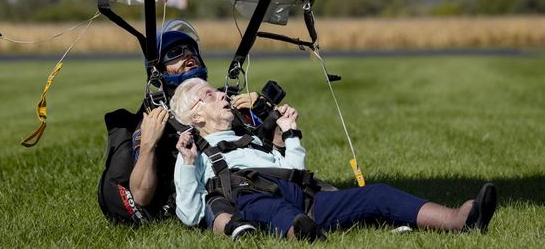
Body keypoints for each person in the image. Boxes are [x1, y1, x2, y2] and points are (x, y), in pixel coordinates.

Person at [170, 78, 498, 241]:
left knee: (378, 193)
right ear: (195, 115)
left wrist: (291, 133)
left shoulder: (252, 136)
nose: (223, 95)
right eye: (209, 95)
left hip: (302, 196)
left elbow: (295, 172)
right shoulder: (194, 150)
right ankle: (305, 235)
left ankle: (458, 219)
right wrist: (187, 163)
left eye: (218, 91)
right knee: (276, 210)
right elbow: (188, 213)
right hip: (252, 198)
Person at [127, 21, 258, 238]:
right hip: (212, 199)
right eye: (175, 53)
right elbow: (140, 197)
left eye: (191, 50)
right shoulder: (156, 118)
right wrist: (148, 146)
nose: (188, 55)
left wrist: (260, 110)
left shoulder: (224, 102)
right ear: (158, 70)